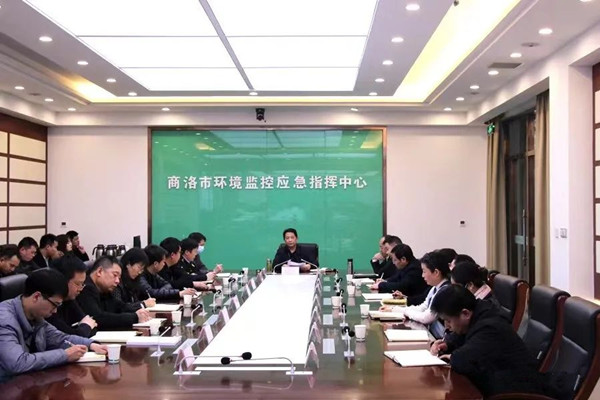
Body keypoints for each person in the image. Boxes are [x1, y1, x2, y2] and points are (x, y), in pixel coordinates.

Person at [429, 285, 558, 398]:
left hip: (517, 390)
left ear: (465, 313)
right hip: (501, 383)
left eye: (448, 321)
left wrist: (452, 357)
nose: (447, 326)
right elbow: (464, 335)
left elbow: (464, 360)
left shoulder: (490, 327)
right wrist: (447, 344)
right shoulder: (479, 313)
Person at [0, 269, 107, 379]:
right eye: (55, 305)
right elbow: (18, 363)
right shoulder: (4, 320)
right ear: (36, 296)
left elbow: (60, 338)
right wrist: (65, 355)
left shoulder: (36, 317)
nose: (55, 311)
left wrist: (91, 345)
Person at [383, 251, 451, 339]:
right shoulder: (435, 288)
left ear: (436, 272)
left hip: (439, 337)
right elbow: (422, 307)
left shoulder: (445, 291)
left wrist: (405, 312)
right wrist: (396, 309)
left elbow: (426, 318)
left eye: (424, 272)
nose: (422, 276)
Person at [77, 256, 150, 330]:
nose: (117, 281)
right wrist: (134, 317)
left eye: (119, 278)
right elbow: (98, 318)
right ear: (99, 271)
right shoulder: (84, 288)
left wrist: (140, 312)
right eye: (115, 275)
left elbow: (120, 307)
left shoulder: (104, 290)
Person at [47, 254, 97, 337]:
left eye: (82, 284)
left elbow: (92, 326)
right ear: (62, 280)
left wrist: (83, 327)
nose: (81, 289)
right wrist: (85, 327)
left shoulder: (69, 299)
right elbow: (69, 337)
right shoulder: (50, 305)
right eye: (78, 284)